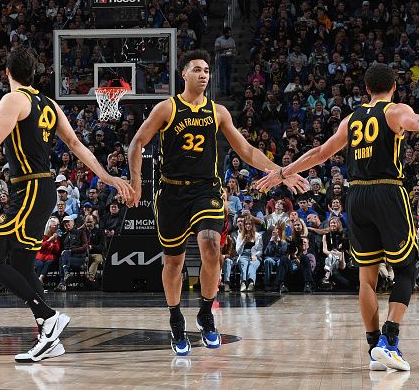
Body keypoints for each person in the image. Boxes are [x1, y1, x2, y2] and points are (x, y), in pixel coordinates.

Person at [0, 46, 133, 363]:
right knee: (21, 263)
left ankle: (48, 317)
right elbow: (76, 145)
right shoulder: (48, 104)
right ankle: (49, 338)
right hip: (42, 188)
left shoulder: (13, 100)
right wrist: (105, 175)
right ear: (34, 74)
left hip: (30, 188)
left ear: (7, 72)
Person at [256, 63, 419, 371]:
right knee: (406, 269)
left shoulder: (352, 119)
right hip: (387, 191)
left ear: (367, 89)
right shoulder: (394, 111)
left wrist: (283, 172)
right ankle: (389, 341)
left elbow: (321, 153)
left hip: (355, 197)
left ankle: (373, 347)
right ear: (394, 86)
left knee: (366, 278)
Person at [127, 49, 306, 356]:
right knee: (174, 262)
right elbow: (137, 143)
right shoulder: (167, 109)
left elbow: (247, 151)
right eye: (197, 69)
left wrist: (281, 172)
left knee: (211, 246)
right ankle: (174, 318)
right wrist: (137, 182)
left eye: (207, 70)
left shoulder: (218, 112)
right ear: (184, 74)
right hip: (171, 192)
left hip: (207, 189)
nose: (204, 74)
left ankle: (206, 313)